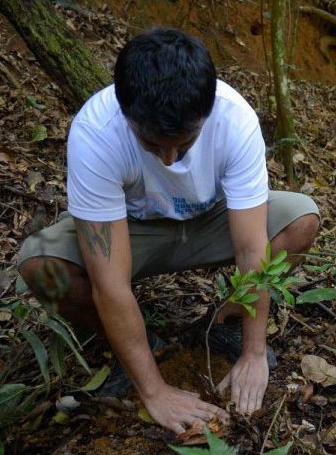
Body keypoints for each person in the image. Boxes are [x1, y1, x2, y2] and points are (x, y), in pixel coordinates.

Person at [17, 28, 320, 434]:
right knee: (40, 266)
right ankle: (145, 349)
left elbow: (251, 249)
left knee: (300, 219)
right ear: (127, 115)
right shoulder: (96, 132)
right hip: (134, 228)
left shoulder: (234, 118)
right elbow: (110, 283)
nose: (170, 158)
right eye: (153, 144)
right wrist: (155, 391)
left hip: (209, 220)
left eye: (185, 143)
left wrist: (254, 352)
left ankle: (221, 328)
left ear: (206, 113)